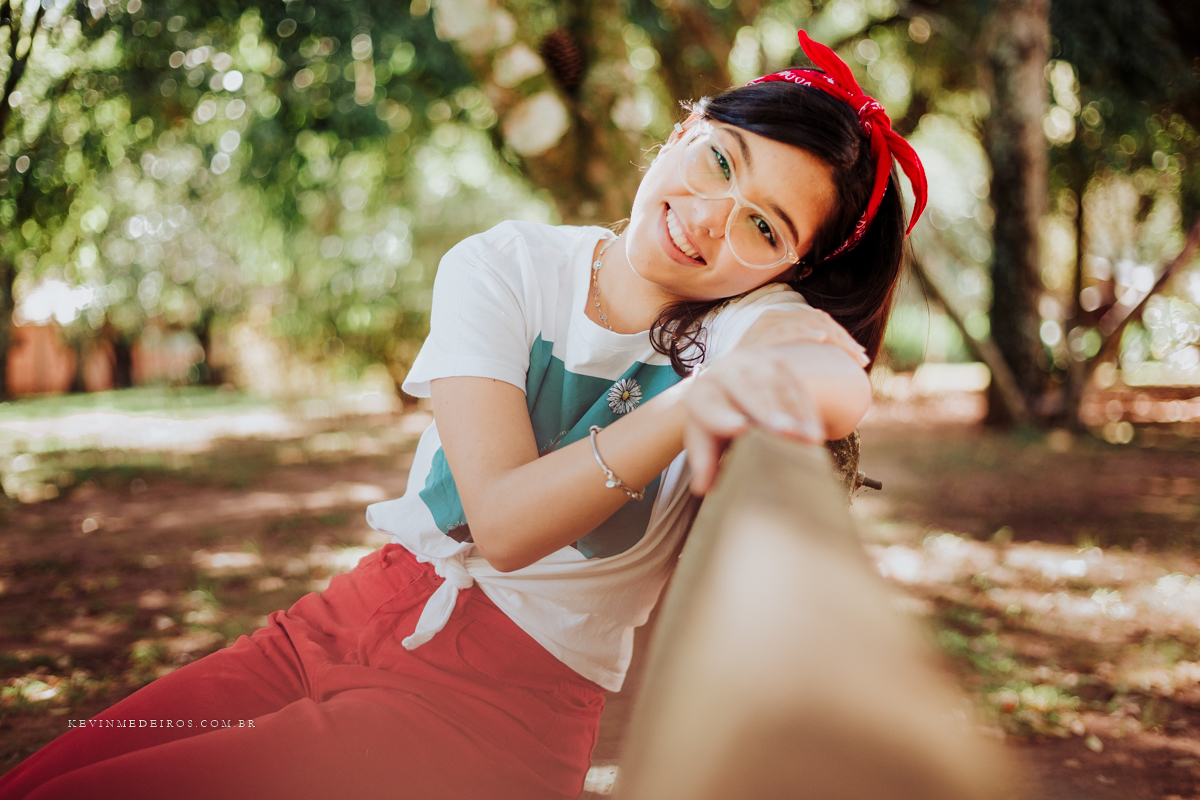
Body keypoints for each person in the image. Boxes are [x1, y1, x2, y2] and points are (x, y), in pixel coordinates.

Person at [0, 31, 926, 800]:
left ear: (786, 270)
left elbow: (836, 381)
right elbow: (502, 513)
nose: (712, 218)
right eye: (719, 160)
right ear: (685, 129)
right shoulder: (507, 265)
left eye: (765, 226)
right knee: (48, 780)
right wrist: (696, 405)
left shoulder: (744, 321)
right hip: (348, 619)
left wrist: (735, 384)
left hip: (498, 711)